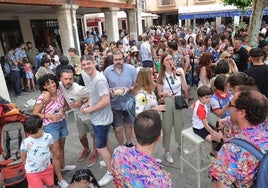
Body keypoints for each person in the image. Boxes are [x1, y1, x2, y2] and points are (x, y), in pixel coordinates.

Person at [209, 89, 268, 187]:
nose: (228, 108)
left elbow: (221, 186)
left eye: (230, 105)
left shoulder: (232, 149)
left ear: (242, 113)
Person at [33, 74, 76, 188]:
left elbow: (67, 105)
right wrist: (48, 116)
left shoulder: (60, 92)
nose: (51, 85)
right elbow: (34, 113)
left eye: (53, 82)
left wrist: (63, 110)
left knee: (62, 147)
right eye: (48, 83)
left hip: (62, 123)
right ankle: (60, 179)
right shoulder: (43, 97)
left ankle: (62, 166)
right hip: (50, 126)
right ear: (44, 86)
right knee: (56, 153)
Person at [112, 110, 172, 187]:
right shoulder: (162, 182)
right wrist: (166, 179)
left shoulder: (118, 152)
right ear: (159, 136)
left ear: (134, 133)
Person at [80, 55, 113, 186]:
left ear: (94, 62)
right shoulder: (92, 77)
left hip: (101, 119)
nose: (86, 66)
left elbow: (106, 100)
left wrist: (90, 109)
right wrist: (88, 104)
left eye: (89, 63)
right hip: (101, 118)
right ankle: (112, 162)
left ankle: (110, 171)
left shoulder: (99, 79)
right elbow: (97, 97)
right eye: (84, 65)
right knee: (106, 141)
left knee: (100, 148)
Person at [156, 53, 188, 164]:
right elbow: (159, 93)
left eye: (171, 59)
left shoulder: (178, 71)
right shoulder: (161, 76)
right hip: (168, 101)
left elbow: (185, 88)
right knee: (167, 126)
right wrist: (164, 94)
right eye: (167, 60)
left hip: (178, 99)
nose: (170, 62)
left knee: (180, 124)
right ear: (163, 63)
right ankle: (167, 150)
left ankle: (180, 144)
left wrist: (182, 76)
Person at [103, 50, 137, 147]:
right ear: (112, 60)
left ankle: (129, 143)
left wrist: (129, 89)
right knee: (117, 128)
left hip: (129, 102)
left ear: (124, 59)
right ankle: (121, 146)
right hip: (115, 103)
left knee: (129, 125)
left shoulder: (131, 69)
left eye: (120, 59)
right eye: (115, 60)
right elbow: (104, 86)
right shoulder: (107, 71)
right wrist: (109, 91)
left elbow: (137, 85)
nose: (118, 61)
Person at [59, 69, 94, 162]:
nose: (68, 81)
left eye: (70, 79)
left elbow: (92, 95)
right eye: (65, 79)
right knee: (82, 136)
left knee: (94, 135)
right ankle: (86, 149)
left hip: (88, 114)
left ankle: (95, 152)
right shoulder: (60, 85)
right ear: (61, 79)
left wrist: (81, 102)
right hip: (77, 115)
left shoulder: (79, 89)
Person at [20, 115, 55, 188]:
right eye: (31, 133)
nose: (33, 136)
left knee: (51, 185)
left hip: (47, 168)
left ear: (42, 126)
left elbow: (51, 148)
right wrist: (25, 164)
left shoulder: (48, 137)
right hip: (32, 172)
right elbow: (23, 154)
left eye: (35, 132)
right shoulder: (26, 142)